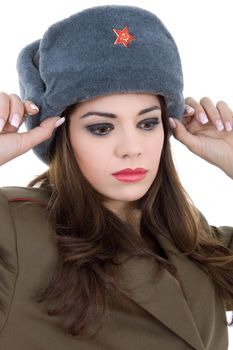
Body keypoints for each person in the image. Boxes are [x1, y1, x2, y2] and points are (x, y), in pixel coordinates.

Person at [0, 4, 232, 350]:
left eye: (148, 123)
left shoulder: (188, 236)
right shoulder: (14, 226)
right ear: (61, 136)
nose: (131, 148)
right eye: (101, 128)